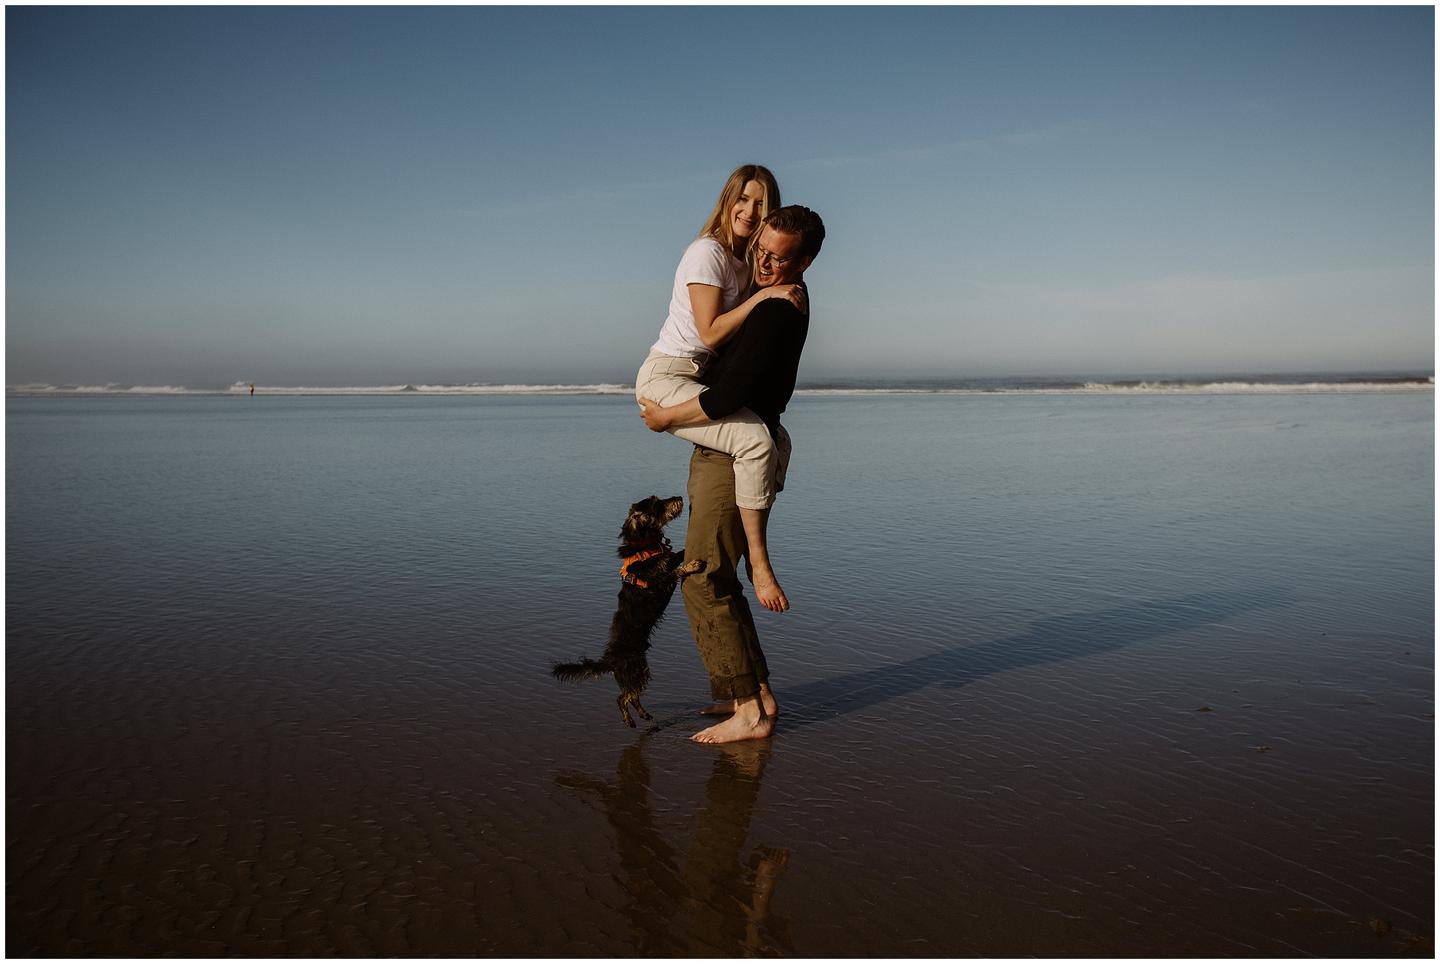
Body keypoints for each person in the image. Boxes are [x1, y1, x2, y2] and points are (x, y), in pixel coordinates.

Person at [639, 205, 825, 743]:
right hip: (737, 446)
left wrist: (667, 416)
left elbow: (726, 397)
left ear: (805, 261)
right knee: (718, 575)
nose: (764, 263)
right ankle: (756, 694)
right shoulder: (780, 297)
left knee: (700, 577)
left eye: (778, 258)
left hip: (733, 454)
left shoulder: (776, 310)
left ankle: (748, 712)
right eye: (761, 251)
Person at [634, 165, 806, 613]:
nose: (749, 212)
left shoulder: (747, 262)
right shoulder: (706, 253)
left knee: (777, 439)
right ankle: (760, 562)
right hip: (666, 376)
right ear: (727, 201)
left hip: (695, 376)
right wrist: (764, 297)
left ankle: (750, 545)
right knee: (753, 440)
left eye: (761, 204)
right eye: (742, 200)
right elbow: (710, 334)